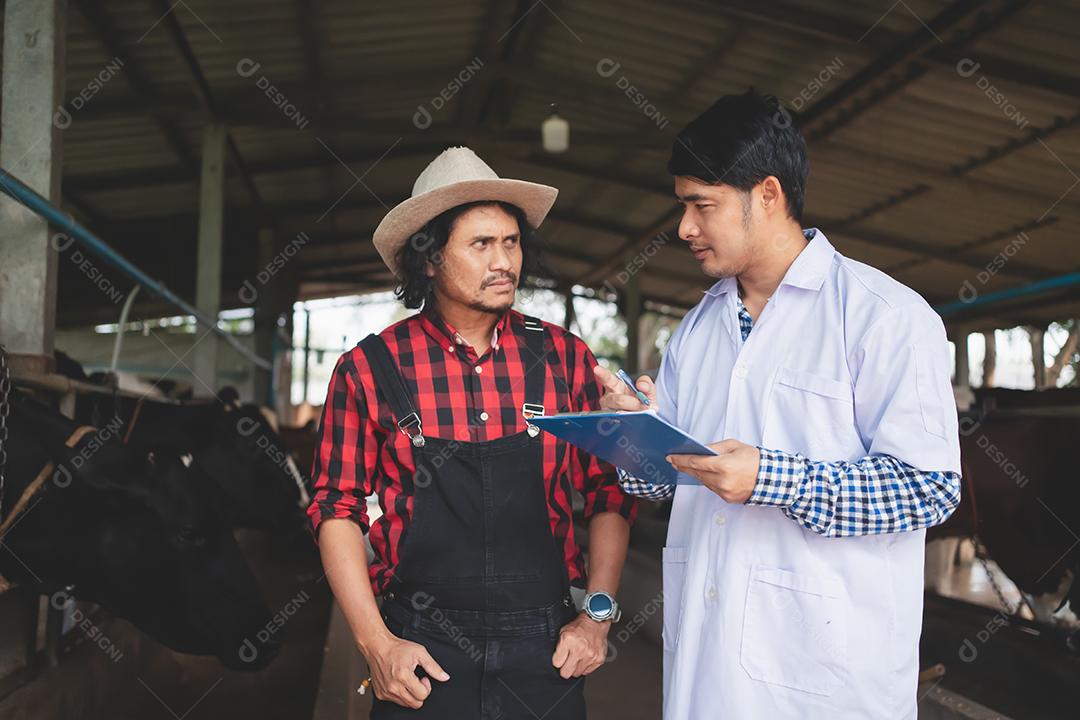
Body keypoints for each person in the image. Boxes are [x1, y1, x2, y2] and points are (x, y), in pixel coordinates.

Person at [597, 90, 961, 719]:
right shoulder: (695, 330)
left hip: (824, 679)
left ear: (767, 195)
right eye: (683, 206)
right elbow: (664, 483)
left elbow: (928, 489)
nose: (684, 228)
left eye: (700, 206)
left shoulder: (882, 317)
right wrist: (637, 432)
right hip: (704, 667)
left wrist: (772, 478)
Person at [308, 147, 636, 719]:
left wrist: (596, 619)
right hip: (420, 651)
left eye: (511, 242)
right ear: (429, 258)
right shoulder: (369, 369)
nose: (504, 260)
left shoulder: (563, 358)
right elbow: (336, 509)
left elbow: (609, 490)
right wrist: (376, 644)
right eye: (481, 244)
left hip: (546, 649)